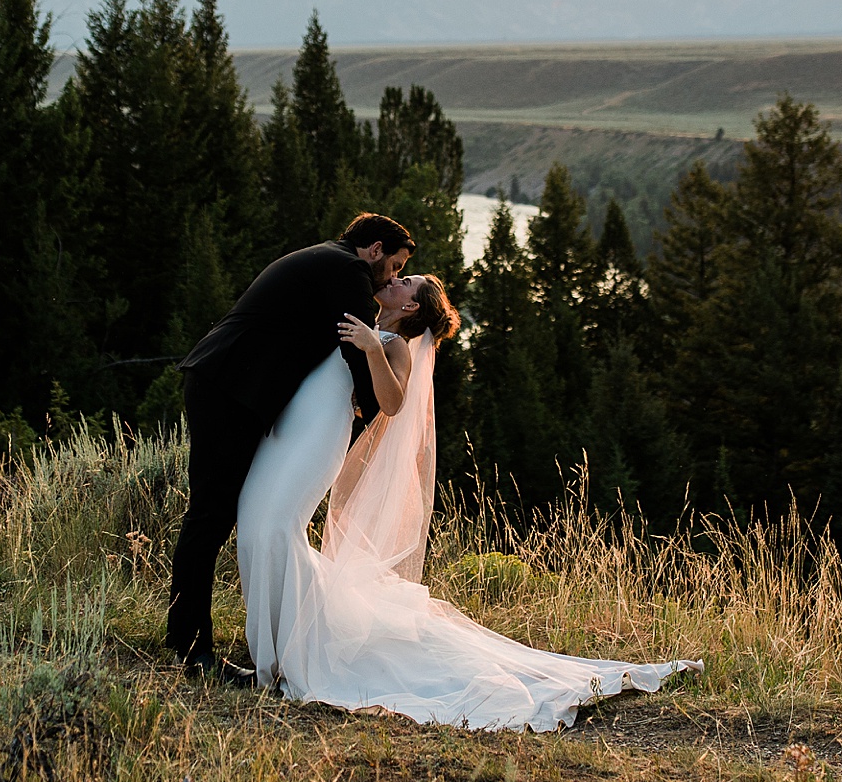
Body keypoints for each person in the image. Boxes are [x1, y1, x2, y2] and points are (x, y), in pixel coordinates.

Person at [233, 269, 697, 731]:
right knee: (273, 531)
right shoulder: (359, 319)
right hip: (297, 432)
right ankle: (283, 642)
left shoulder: (392, 345)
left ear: (411, 307)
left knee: (280, 529)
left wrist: (371, 348)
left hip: (321, 439)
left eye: (404, 283)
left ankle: (284, 653)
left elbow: (391, 403)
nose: (392, 281)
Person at [165, 213, 413, 680]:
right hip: (228, 389)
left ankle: (193, 639)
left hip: (228, 386)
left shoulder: (327, 258)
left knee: (215, 516)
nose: (393, 276)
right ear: (375, 250)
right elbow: (354, 348)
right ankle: (191, 647)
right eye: (395, 264)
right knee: (210, 517)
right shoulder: (349, 272)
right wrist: (366, 411)